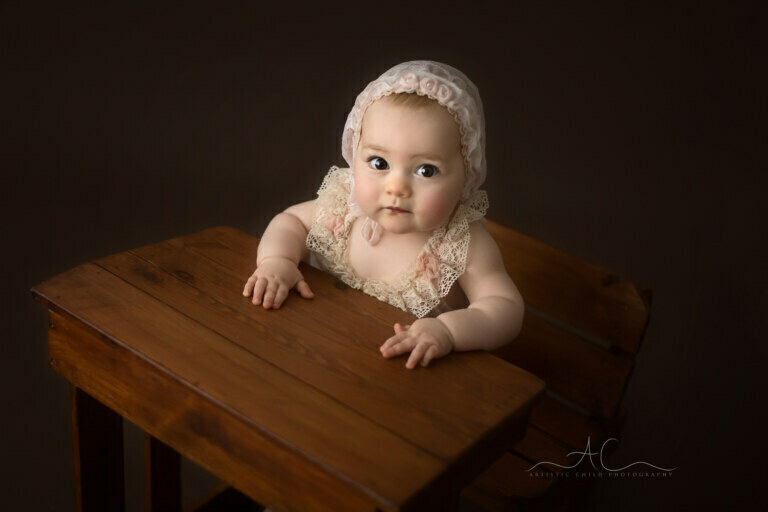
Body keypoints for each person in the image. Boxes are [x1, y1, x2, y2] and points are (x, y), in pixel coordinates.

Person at [242, 60, 523, 369]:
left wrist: (447, 331)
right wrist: (277, 260)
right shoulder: (343, 209)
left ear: (466, 176)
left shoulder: (461, 244)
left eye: (426, 170)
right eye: (379, 163)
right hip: (314, 355)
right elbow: (290, 221)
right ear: (354, 153)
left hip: (398, 383)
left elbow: (504, 307)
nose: (397, 187)